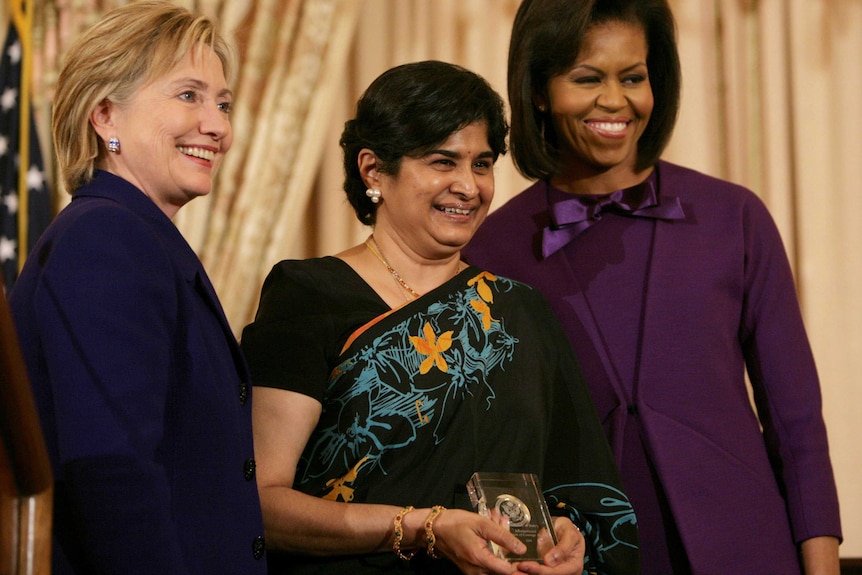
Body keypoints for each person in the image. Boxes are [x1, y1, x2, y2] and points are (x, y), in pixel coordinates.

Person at [462, 1, 842, 574]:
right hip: (587, 559)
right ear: (539, 90)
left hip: (746, 550)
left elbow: (798, 429)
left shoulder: (734, 217)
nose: (614, 101)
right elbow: (493, 445)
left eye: (632, 78)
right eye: (587, 78)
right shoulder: (491, 250)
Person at [240, 60, 639, 575]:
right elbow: (261, 503)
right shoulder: (310, 293)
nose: (469, 187)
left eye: (481, 163)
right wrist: (425, 527)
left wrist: (567, 536)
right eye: (442, 161)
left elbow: (582, 496)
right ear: (373, 171)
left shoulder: (522, 313)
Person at [7, 2, 267, 573]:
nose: (219, 126)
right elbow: (111, 470)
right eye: (188, 95)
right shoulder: (105, 239)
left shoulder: (134, 237)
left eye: (223, 103)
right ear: (105, 115)